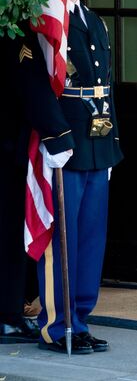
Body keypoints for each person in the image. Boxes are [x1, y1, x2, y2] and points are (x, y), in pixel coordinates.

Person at [37, 0, 123, 354]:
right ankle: (57, 323)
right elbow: (41, 87)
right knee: (63, 238)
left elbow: (106, 86)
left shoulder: (93, 20)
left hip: (97, 140)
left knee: (91, 236)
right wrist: (55, 137)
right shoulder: (48, 22)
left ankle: (82, 318)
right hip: (67, 140)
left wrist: (112, 143)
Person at [0, 19, 74, 344]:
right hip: (7, 147)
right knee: (8, 232)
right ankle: (7, 316)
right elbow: (28, 83)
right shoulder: (11, 26)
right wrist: (57, 133)